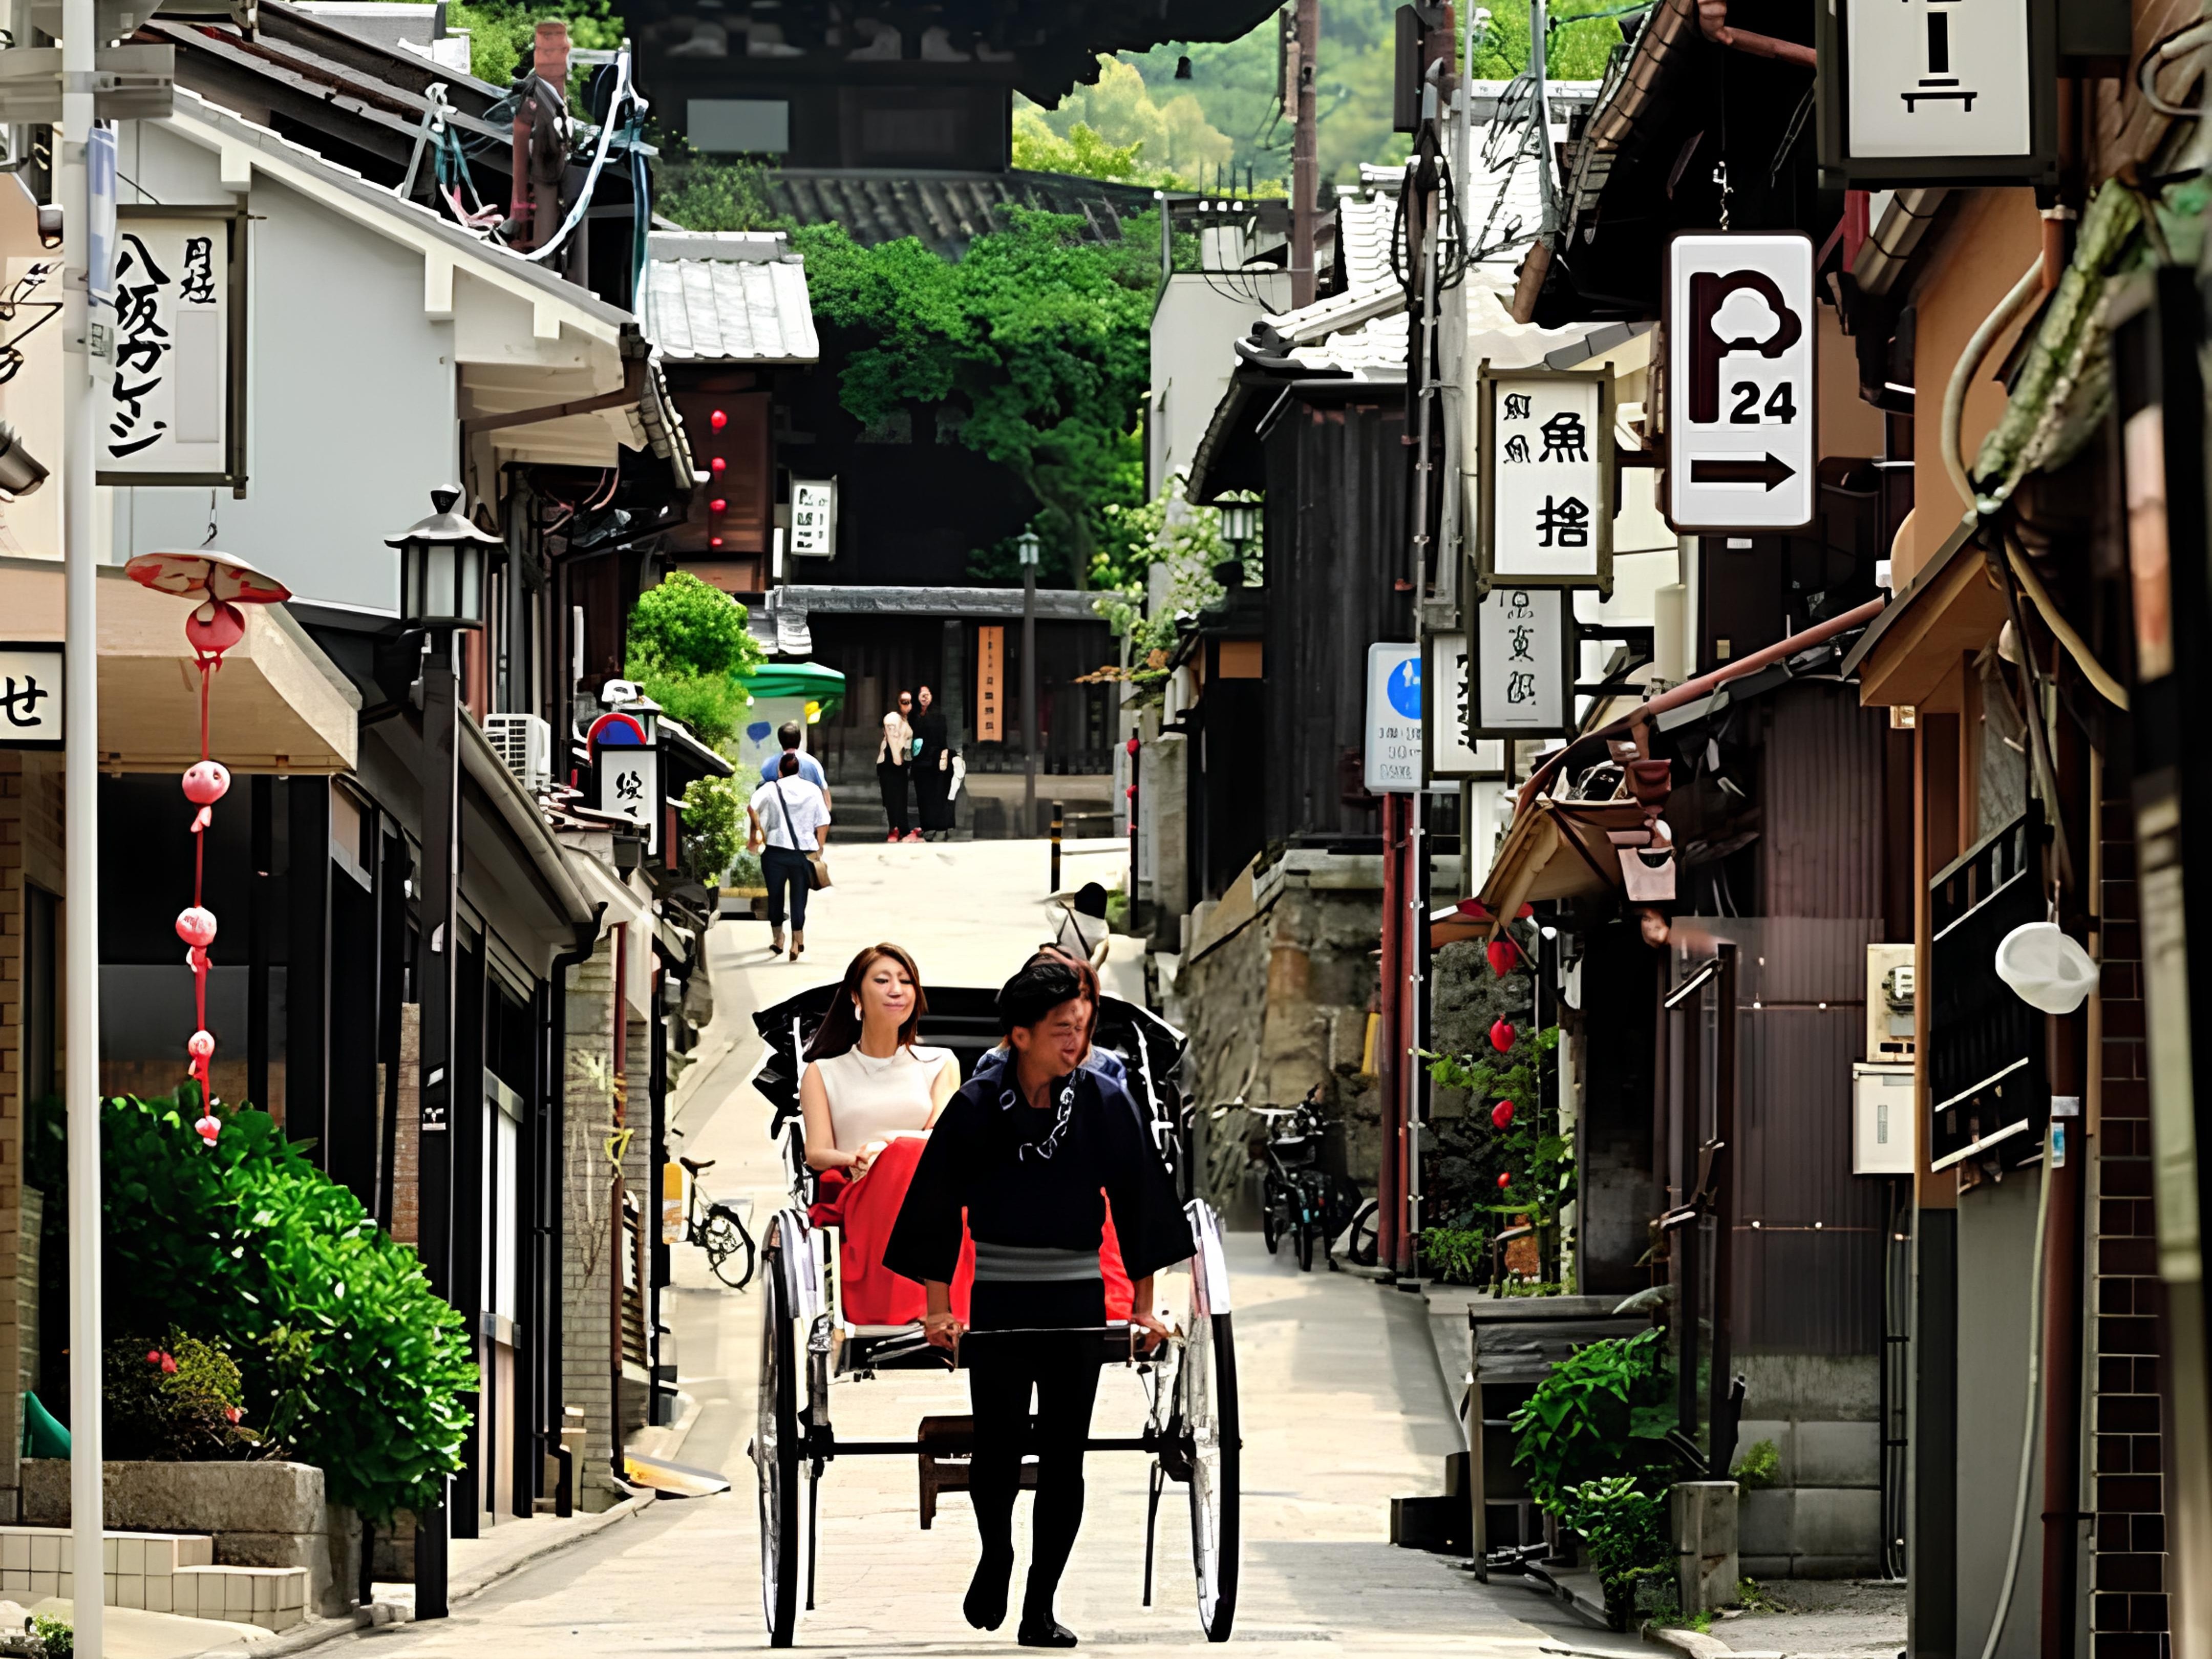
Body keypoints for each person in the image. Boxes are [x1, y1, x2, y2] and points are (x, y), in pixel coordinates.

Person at [886, 959, 1195, 1649]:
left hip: (1077, 1297)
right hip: (998, 1295)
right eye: (1062, 1031)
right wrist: (939, 1308)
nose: (1076, 1044)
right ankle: (996, 1554)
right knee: (997, 1449)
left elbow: (1140, 1201)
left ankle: (1040, 1606)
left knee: (1065, 1456)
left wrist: (1143, 1307)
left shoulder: (1106, 1101)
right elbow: (936, 1206)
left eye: (1083, 1030)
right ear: (1020, 1035)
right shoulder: (975, 1104)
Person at [798, 944, 964, 1323]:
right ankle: (908, 1309)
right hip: (858, 1186)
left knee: (913, 1162)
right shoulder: (823, 1072)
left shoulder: (940, 1063)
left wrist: (887, 1145)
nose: (897, 990)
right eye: (883, 980)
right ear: (856, 995)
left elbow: (943, 1138)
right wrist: (863, 1157)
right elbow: (818, 1152)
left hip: (926, 1185)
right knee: (902, 1163)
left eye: (906, 982)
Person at [747, 752, 830, 962]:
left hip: (775, 852)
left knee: (775, 897)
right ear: (799, 770)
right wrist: (819, 847)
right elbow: (824, 821)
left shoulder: (770, 788)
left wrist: (757, 830)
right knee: (799, 898)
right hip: (802, 854)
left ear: (780, 771)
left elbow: (751, 807)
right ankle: (797, 941)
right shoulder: (812, 790)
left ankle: (778, 940)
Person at [758, 720, 831, 812]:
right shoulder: (813, 764)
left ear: (780, 740)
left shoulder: (768, 765)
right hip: (807, 816)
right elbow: (824, 789)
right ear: (799, 740)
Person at [912, 684, 953, 841]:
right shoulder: (913, 716)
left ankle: (940, 827)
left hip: (935, 761)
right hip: (919, 763)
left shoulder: (939, 716)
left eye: (928, 693)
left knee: (937, 795)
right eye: (922, 694)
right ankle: (927, 827)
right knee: (923, 797)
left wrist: (943, 757)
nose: (925, 696)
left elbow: (943, 741)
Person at [877, 691, 915, 843]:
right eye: (904, 701)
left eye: (910, 702)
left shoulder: (906, 720)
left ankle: (901, 828)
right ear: (898, 702)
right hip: (890, 762)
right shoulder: (893, 717)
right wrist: (896, 758)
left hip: (901, 764)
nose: (907, 705)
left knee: (901, 797)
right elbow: (893, 738)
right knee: (892, 797)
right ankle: (894, 828)